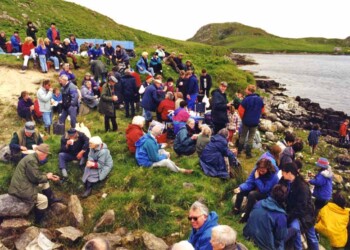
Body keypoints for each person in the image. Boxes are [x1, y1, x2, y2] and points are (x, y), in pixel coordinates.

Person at [8, 144, 61, 224]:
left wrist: (47, 176)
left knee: (45, 182)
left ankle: (51, 201)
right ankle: (38, 222)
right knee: (43, 200)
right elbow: (35, 178)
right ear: (43, 154)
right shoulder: (32, 160)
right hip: (21, 188)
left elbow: (34, 174)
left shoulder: (32, 157)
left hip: (24, 183)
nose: (46, 157)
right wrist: (47, 176)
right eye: (46, 155)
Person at [280, 162, 319, 250]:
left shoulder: (302, 187)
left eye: (283, 172)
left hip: (305, 215)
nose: (281, 174)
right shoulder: (285, 180)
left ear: (289, 173)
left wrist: (289, 217)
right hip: (293, 212)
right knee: (295, 231)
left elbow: (301, 207)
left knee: (311, 237)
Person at [243, 184, 289, 250]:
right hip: (264, 245)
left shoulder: (259, 203)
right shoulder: (281, 215)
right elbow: (281, 236)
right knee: (281, 241)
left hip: (247, 235)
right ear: (284, 199)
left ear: (272, 193)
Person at [233, 158, 279, 223]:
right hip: (257, 189)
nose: (261, 172)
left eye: (263, 171)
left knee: (252, 194)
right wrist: (240, 188)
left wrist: (257, 178)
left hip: (267, 194)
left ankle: (246, 216)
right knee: (241, 191)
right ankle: (236, 209)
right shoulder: (256, 170)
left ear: (268, 169)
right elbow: (249, 182)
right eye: (260, 170)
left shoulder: (273, 176)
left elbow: (264, 190)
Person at [237, 84, 265, 158]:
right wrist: (257, 116)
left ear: (249, 91)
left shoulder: (246, 99)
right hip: (255, 121)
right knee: (251, 137)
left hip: (246, 121)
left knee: (243, 136)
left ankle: (239, 151)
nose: (245, 90)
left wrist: (243, 118)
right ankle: (248, 154)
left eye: (246, 89)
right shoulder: (260, 99)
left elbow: (240, 110)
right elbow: (263, 110)